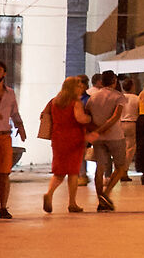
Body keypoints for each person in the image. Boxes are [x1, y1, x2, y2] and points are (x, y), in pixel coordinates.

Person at [81, 70, 132, 211]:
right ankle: (106, 194)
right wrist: (102, 129)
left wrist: (95, 131)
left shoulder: (93, 97)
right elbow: (115, 117)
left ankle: (100, 199)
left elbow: (87, 116)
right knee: (121, 166)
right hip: (115, 136)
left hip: (98, 139)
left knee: (100, 168)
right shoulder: (118, 97)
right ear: (114, 81)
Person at [41, 76, 90, 215]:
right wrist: (89, 118)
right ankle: (72, 203)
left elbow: (43, 115)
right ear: (73, 87)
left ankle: (49, 193)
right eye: (79, 85)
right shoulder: (75, 102)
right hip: (74, 138)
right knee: (73, 172)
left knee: (59, 171)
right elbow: (80, 118)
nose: (81, 88)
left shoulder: (54, 101)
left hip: (58, 138)